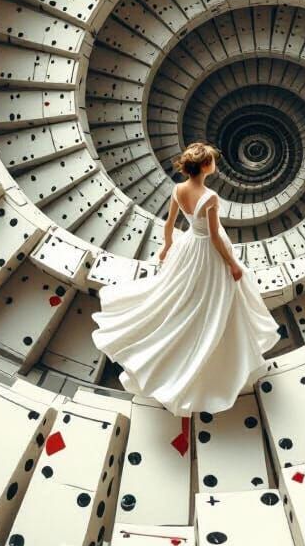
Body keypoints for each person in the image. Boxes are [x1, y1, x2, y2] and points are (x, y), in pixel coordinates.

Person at [91, 142, 280, 416]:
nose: (215, 164)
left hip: (188, 245)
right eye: (213, 161)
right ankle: (217, 357)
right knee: (216, 299)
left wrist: (167, 247)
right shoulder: (211, 197)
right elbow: (215, 237)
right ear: (205, 166)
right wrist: (232, 263)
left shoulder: (178, 189)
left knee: (183, 293)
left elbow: (169, 223)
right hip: (208, 250)